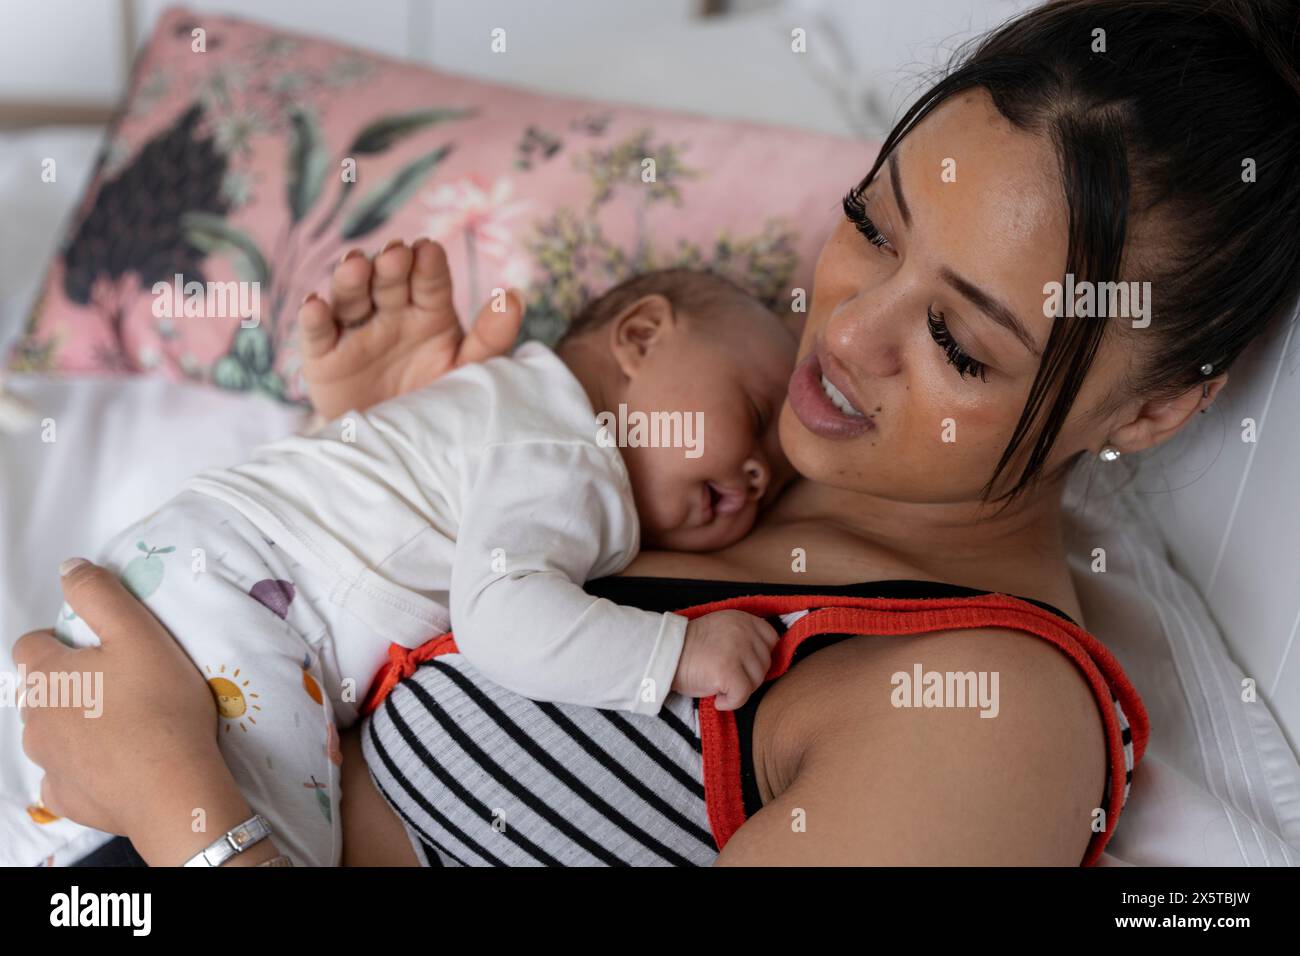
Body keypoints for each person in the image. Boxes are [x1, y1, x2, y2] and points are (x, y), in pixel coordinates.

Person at [17, 0, 1300, 866]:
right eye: (872, 225)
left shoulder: (982, 714)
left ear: (1154, 404)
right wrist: (373, 477)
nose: (844, 335)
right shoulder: (703, 470)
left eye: (961, 343)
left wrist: (184, 812)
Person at [11, 265, 796, 868]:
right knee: (284, 839)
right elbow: (506, 621)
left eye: (780, 477)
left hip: (195, 566)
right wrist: (676, 653)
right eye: (756, 418)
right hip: (243, 594)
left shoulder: (504, 403)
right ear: (642, 335)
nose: (761, 472)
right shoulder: (570, 453)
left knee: (46, 810)